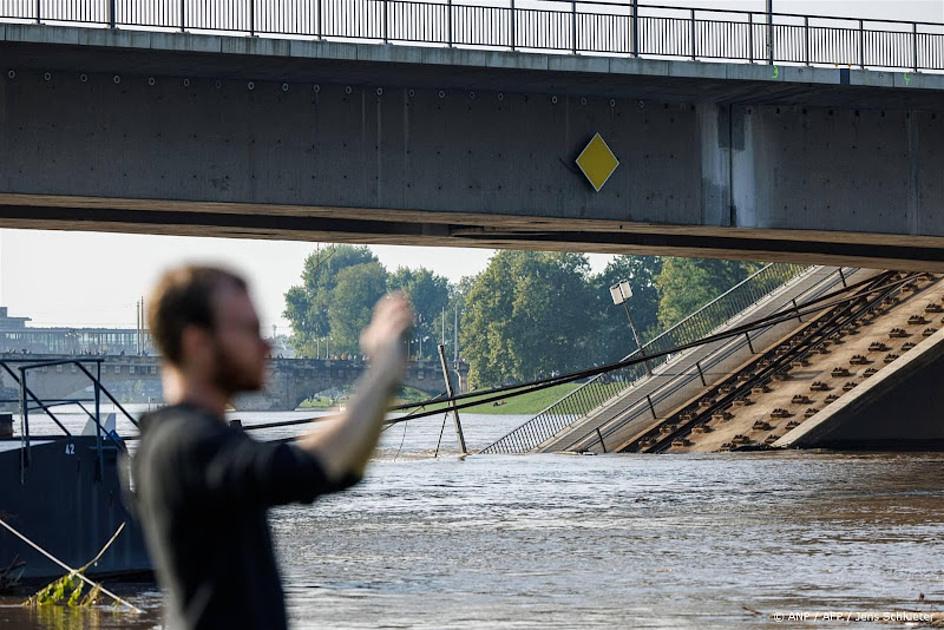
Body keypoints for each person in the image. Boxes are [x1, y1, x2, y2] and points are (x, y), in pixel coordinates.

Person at [125, 265, 412, 630]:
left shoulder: (191, 437)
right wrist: (382, 368)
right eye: (247, 330)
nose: (266, 344)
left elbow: (338, 468)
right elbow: (308, 467)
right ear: (197, 343)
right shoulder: (183, 443)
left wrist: (385, 383)